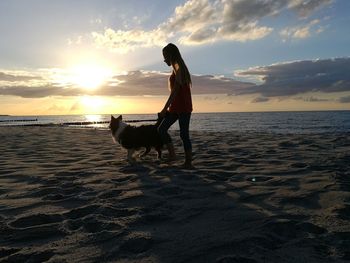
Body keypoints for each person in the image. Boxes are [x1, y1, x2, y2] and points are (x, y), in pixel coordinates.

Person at [158, 43, 194, 169]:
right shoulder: (175, 68)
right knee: (161, 129)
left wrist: (164, 108)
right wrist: (169, 107)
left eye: (165, 56)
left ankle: (188, 162)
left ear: (171, 55)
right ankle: (173, 155)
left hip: (183, 107)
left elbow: (175, 92)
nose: (164, 60)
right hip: (175, 107)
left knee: (184, 135)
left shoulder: (179, 67)